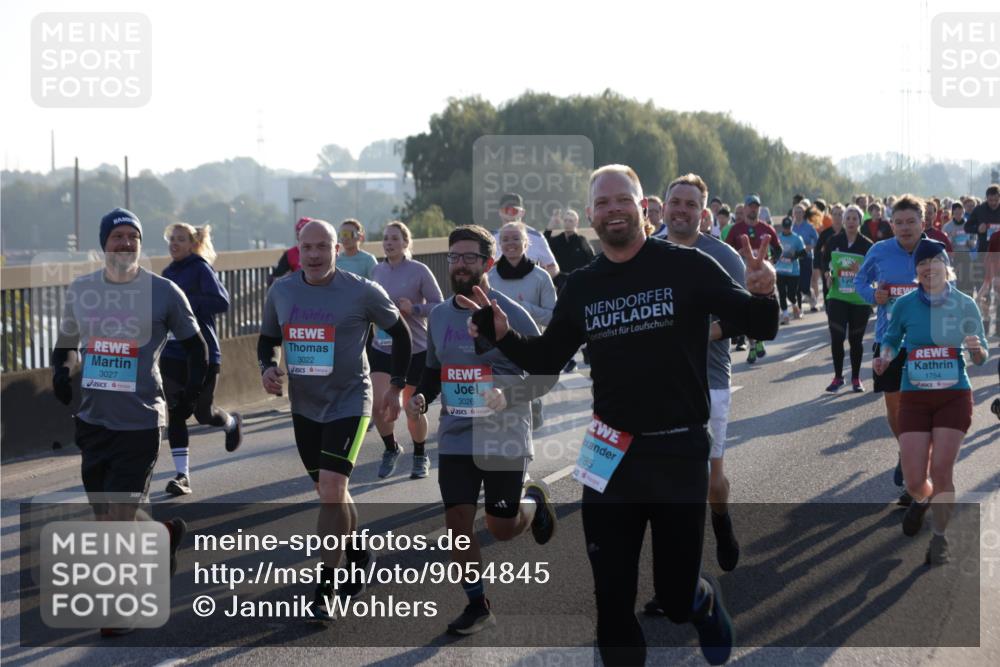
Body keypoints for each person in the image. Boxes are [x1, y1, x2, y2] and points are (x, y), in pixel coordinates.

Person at [462, 165, 780, 667]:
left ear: (643, 208)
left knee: (673, 598)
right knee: (611, 603)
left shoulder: (687, 266)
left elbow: (761, 324)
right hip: (609, 451)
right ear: (590, 215)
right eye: (602, 203)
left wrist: (766, 291)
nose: (613, 210)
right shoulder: (584, 285)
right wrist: (502, 335)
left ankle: (700, 600)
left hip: (677, 447)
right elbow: (547, 360)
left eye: (622, 200)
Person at [51, 208, 202, 634]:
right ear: (104, 244)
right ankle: (164, 537)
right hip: (93, 419)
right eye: (117, 236)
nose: (125, 243)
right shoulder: (82, 290)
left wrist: (190, 394)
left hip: (140, 420)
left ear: (140, 244)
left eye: (132, 236)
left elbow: (196, 348)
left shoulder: (164, 291)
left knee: (118, 517)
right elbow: (66, 343)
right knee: (108, 516)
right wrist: (61, 371)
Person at [405, 224, 558, 635]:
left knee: (501, 529)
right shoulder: (438, 315)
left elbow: (545, 373)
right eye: (454, 256)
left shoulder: (510, 313)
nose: (460, 264)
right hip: (456, 434)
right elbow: (434, 372)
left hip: (504, 434)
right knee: (457, 521)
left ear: (487, 263)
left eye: (470, 257)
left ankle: (533, 500)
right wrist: (422, 396)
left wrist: (508, 394)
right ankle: (478, 604)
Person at [257, 219, 412, 621]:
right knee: (329, 492)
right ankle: (358, 549)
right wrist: (266, 368)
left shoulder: (362, 291)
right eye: (307, 247)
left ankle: (325, 585)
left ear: (337, 249)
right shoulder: (282, 290)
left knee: (331, 487)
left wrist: (395, 386)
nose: (313, 255)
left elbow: (401, 334)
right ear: (297, 248)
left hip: (350, 400)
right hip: (305, 404)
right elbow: (268, 339)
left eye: (322, 247)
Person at [875, 239, 988, 564]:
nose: (927, 268)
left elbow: (981, 355)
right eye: (921, 264)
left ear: (945, 265)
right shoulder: (905, 305)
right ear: (917, 271)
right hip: (915, 396)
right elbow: (892, 338)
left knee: (941, 469)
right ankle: (923, 501)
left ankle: (939, 538)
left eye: (933, 262)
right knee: (913, 479)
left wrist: (977, 350)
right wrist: (884, 356)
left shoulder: (965, 304)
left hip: (953, 396)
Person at [658, 175, 745, 573]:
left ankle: (721, 521)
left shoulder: (724, 257)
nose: (681, 210)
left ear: (703, 213)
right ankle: (675, 576)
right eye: (675, 202)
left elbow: (740, 319)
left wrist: (693, 335)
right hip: (651, 381)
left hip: (707, 380)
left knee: (709, 482)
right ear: (663, 207)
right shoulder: (644, 252)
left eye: (690, 204)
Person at [854, 195, 928, 505]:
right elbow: (859, 281)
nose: (905, 228)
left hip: (925, 343)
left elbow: (954, 289)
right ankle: (907, 450)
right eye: (899, 222)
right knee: (895, 408)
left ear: (923, 224)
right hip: (888, 342)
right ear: (891, 225)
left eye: (911, 222)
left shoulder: (936, 252)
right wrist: (874, 296)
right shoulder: (879, 250)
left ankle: (916, 472)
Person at [160, 223, 242, 496]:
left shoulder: (200, 268)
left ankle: (231, 423)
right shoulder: (166, 274)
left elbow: (222, 302)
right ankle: (182, 476)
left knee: (202, 412)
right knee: (176, 412)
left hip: (203, 352)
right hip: (172, 352)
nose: (174, 243)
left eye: (180, 239)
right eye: (171, 239)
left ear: (192, 243)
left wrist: (185, 303)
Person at [370, 221, 444, 480]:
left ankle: (420, 454)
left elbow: (439, 305)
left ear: (405, 242)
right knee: (378, 405)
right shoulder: (376, 271)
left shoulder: (419, 270)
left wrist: (413, 309)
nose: (389, 242)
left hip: (415, 348)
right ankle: (391, 448)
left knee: (413, 407)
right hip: (382, 347)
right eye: (386, 238)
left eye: (394, 238)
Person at [822, 205, 874, 392]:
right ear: (843, 221)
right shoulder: (834, 241)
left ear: (860, 222)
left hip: (859, 299)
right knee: (837, 338)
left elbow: (874, 272)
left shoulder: (867, 245)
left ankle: (856, 378)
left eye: (855, 218)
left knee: (855, 340)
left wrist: (861, 272)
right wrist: (828, 275)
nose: (851, 221)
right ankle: (837, 377)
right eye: (848, 218)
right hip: (837, 296)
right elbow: (826, 262)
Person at [726, 194, 782, 365]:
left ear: (759, 208)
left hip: (764, 280)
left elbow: (778, 249)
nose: (753, 209)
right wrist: (739, 254)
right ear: (744, 208)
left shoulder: (766, 229)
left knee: (763, 310)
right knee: (748, 311)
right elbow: (727, 250)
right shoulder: (736, 229)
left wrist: (771, 263)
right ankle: (753, 344)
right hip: (745, 277)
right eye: (750, 205)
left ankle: (758, 340)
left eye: (756, 206)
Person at [492, 192, 559, 278]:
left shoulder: (536, 237)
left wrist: (536, 282)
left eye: (514, 210)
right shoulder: (491, 238)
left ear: (522, 212)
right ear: (500, 212)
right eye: (506, 210)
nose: (510, 213)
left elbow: (552, 267)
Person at [545, 208, 596, 291]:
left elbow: (592, 260)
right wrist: (551, 225)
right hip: (560, 285)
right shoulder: (557, 240)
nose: (568, 223)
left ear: (576, 223)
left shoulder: (581, 241)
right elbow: (543, 245)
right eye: (566, 220)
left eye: (571, 221)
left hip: (579, 283)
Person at [775, 218, 806, 324]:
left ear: (791, 227)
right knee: (782, 293)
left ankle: (795, 305)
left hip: (793, 271)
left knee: (791, 294)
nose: (787, 230)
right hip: (780, 270)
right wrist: (775, 257)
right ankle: (785, 315)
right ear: (782, 227)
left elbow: (803, 253)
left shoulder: (797, 238)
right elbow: (773, 250)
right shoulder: (778, 238)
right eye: (785, 228)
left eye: (788, 228)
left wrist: (794, 256)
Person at [793, 206, 821, 312]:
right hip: (795, 259)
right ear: (794, 214)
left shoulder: (809, 227)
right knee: (796, 285)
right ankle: (799, 308)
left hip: (807, 258)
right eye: (796, 212)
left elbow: (817, 240)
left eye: (800, 212)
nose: (798, 214)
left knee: (805, 285)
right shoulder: (791, 227)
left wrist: (810, 246)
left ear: (804, 214)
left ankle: (812, 300)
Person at [268, 216, 311, 285]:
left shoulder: (324, 252)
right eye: (301, 233)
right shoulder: (290, 254)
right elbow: (276, 277)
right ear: (297, 235)